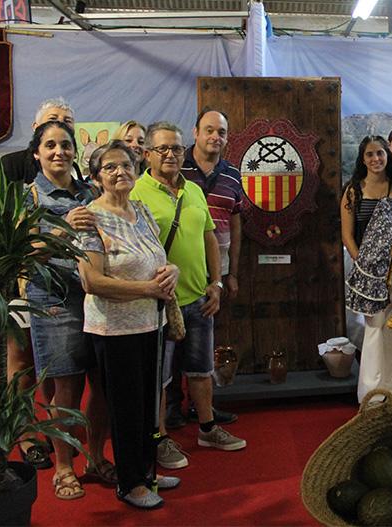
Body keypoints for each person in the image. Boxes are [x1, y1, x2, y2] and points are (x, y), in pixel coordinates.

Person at [131, 121, 247, 471]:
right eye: (162, 149)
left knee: (200, 369)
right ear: (148, 153)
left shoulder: (194, 190)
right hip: (159, 303)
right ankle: (160, 436)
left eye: (176, 149)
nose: (170, 154)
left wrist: (217, 283)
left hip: (199, 297)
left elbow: (210, 237)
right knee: (161, 377)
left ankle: (208, 428)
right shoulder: (136, 193)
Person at [77, 141, 181, 509]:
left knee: (147, 405)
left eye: (126, 165)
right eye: (110, 167)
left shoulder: (140, 210)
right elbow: (92, 281)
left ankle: (147, 472)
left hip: (150, 325)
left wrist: (172, 271)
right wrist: (148, 288)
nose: (120, 172)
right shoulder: (91, 217)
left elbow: (158, 257)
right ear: (96, 177)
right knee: (125, 408)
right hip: (114, 330)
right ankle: (129, 482)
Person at [0, 98, 81, 471]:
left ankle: (52, 428)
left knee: (54, 362)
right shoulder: (11, 166)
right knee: (21, 361)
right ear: (36, 133)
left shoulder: (81, 183)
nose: (60, 127)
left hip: (63, 287)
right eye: (52, 122)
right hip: (16, 277)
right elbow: (0, 224)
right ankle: (25, 434)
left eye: (67, 123)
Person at [24, 121, 111, 500]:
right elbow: (21, 255)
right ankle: (63, 467)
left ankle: (94, 457)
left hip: (100, 298)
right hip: (55, 301)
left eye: (65, 145)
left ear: (75, 151)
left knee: (103, 384)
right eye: (50, 145)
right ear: (37, 153)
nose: (58, 151)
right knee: (67, 387)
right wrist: (63, 228)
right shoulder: (28, 197)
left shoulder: (92, 191)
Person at [170, 109, 242, 430]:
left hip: (216, 271)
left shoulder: (232, 174)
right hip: (179, 270)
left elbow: (236, 224)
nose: (215, 137)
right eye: (209, 130)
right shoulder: (175, 167)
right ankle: (171, 409)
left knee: (205, 342)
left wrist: (231, 273)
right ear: (195, 132)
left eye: (222, 132)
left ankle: (203, 409)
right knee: (172, 341)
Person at [341, 135, 392, 402]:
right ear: (363, 158)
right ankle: (371, 391)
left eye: (380, 153)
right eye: (370, 154)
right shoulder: (353, 191)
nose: (376, 159)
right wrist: (364, 266)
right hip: (368, 274)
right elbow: (347, 234)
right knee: (374, 328)